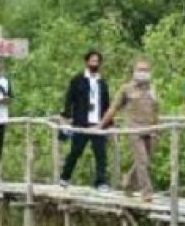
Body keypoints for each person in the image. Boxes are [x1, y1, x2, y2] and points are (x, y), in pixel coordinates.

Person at [100, 57, 159, 201]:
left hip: (151, 130)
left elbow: (156, 110)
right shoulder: (127, 89)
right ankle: (147, 192)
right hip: (134, 129)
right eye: (140, 70)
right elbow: (114, 108)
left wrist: (158, 129)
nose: (143, 73)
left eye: (145, 70)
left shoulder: (152, 89)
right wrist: (101, 125)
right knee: (142, 160)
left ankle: (128, 182)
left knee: (145, 161)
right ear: (134, 71)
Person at [60, 50, 110, 191]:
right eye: (92, 61)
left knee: (100, 153)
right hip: (81, 122)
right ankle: (65, 176)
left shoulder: (102, 82)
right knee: (76, 151)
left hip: (98, 123)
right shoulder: (77, 80)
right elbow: (69, 99)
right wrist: (66, 116)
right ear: (87, 62)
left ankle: (100, 182)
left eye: (97, 61)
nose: (95, 63)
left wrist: (108, 123)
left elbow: (107, 103)